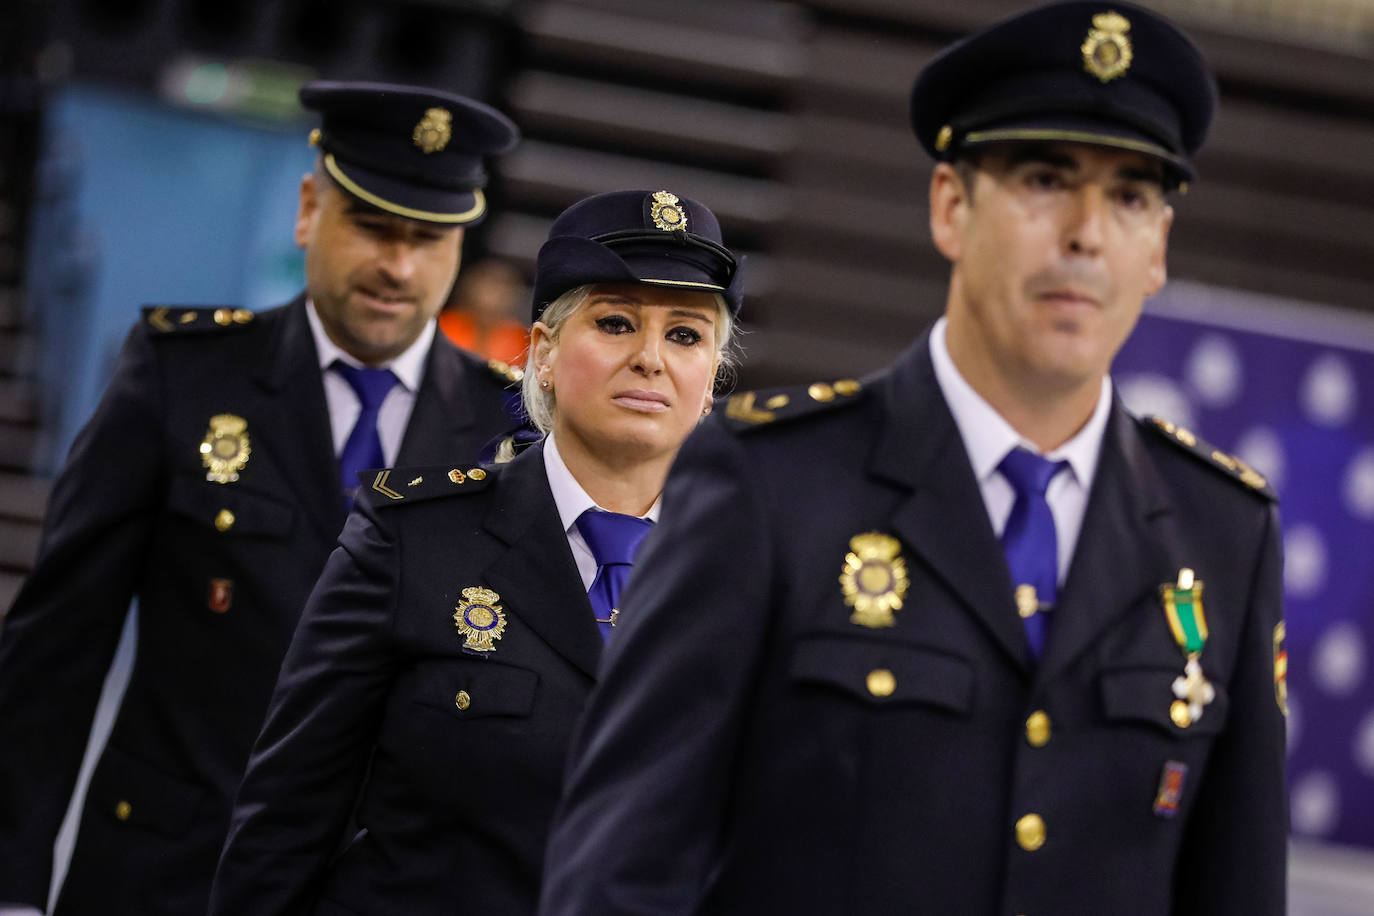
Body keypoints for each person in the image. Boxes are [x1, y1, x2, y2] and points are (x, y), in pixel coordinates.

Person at [539, 4, 1288, 915]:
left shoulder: (1223, 533)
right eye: (1045, 180)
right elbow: (620, 873)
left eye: (1130, 197)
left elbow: (1238, 885)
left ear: (1158, 247)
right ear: (950, 206)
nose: (1087, 233)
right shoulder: (770, 483)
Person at [0, 81, 522, 916]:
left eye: (428, 238)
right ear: (309, 209)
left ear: (459, 246)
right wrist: (14, 888)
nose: (398, 267)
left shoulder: (506, 436)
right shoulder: (183, 374)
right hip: (158, 879)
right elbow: (56, 648)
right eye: (372, 226)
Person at [207, 189, 743, 916]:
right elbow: (285, 822)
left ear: (711, 380)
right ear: (544, 352)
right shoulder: (413, 539)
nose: (651, 359)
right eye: (615, 323)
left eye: (685, 335)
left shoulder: (746, 576)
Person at [438, 256, 531, 367]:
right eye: (490, 289)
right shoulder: (444, 327)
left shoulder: (520, 339)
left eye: (503, 292)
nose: (494, 300)